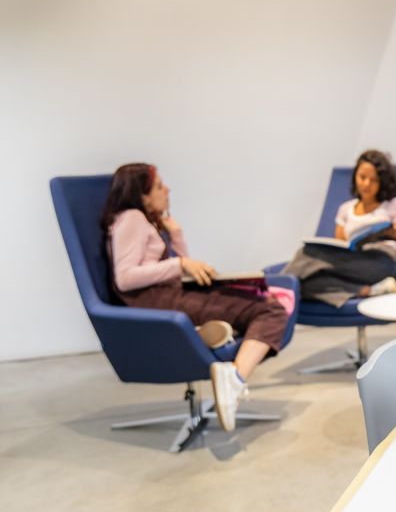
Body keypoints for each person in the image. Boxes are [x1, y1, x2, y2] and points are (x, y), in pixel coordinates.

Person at [102, 163, 289, 432]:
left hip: (167, 293)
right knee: (270, 310)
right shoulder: (132, 217)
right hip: (155, 301)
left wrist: (175, 235)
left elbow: (174, 264)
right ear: (140, 195)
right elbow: (125, 277)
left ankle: (207, 333)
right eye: (158, 186)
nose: (167, 190)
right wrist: (179, 266)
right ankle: (233, 379)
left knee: (257, 300)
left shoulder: (145, 219)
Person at [283, 149, 396, 307]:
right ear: (355, 177)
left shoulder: (394, 205)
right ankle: (368, 291)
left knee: (305, 253)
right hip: (352, 265)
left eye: (374, 180)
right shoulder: (345, 209)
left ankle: (275, 288)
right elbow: (340, 246)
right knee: (304, 284)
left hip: (383, 263)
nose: (366, 184)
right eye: (362, 177)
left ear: (383, 182)